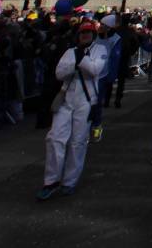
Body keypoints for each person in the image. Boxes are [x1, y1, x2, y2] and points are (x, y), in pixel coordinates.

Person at [38, 20, 106, 200]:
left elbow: (94, 70)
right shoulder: (70, 52)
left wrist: (79, 59)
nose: (85, 36)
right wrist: (77, 59)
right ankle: (51, 180)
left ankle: (69, 181)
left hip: (86, 100)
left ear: (94, 35)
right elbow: (59, 73)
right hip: (66, 98)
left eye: (88, 33)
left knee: (78, 141)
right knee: (54, 138)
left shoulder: (100, 51)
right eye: (83, 33)